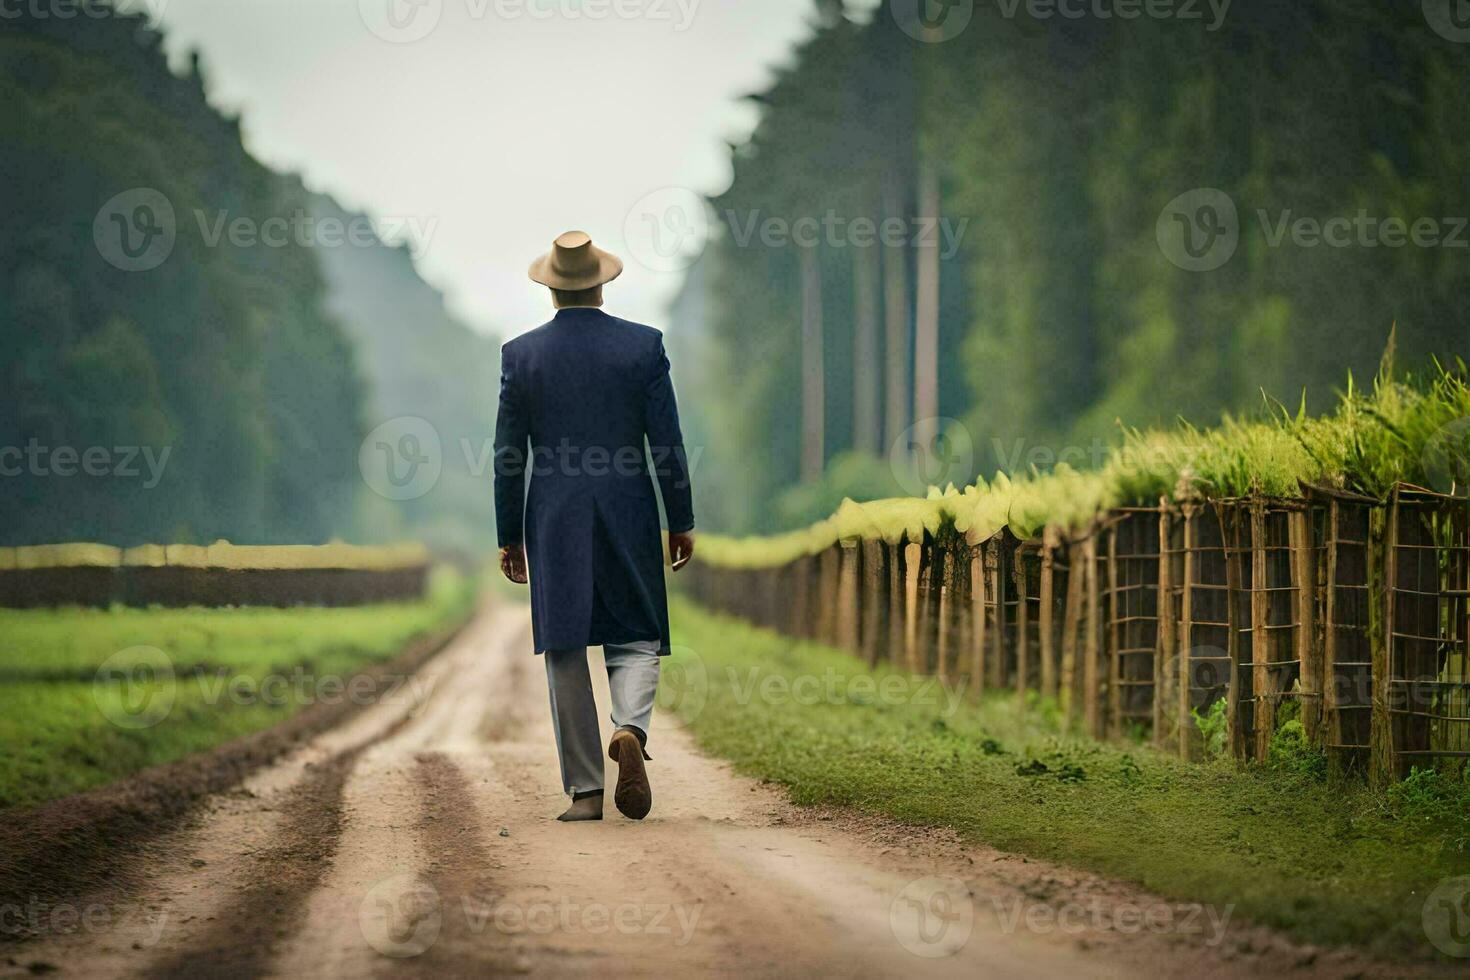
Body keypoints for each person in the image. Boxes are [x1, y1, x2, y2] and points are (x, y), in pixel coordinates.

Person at [494, 230, 696, 822]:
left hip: (554, 518)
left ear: (551, 289)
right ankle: (630, 727)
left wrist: (509, 535)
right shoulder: (643, 347)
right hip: (630, 508)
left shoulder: (521, 356)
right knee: (635, 632)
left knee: (564, 646)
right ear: (602, 284)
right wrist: (679, 519)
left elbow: (510, 456)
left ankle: (585, 791)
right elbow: (668, 444)